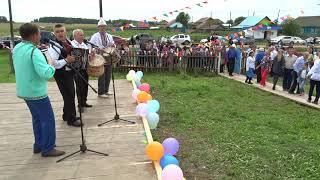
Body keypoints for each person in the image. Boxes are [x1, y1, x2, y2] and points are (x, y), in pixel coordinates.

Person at [13, 23, 65, 157]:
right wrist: (51, 65)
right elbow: (46, 74)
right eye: (39, 33)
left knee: (37, 118)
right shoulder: (34, 51)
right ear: (34, 35)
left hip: (24, 90)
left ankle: (39, 145)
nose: (40, 36)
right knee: (47, 119)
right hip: (36, 92)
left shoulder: (18, 47)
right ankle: (48, 148)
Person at [48, 24, 82, 127]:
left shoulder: (67, 42)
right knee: (69, 96)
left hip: (69, 72)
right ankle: (71, 119)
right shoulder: (53, 46)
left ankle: (66, 115)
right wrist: (66, 60)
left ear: (65, 32)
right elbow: (54, 64)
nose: (60, 33)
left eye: (62, 31)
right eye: (57, 32)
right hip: (61, 74)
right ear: (54, 33)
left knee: (68, 95)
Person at [90, 18, 115, 98]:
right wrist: (96, 50)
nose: (102, 28)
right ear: (98, 27)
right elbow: (90, 46)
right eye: (101, 26)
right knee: (102, 74)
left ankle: (106, 90)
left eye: (104, 26)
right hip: (99, 58)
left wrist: (113, 46)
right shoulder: (95, 36)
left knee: (108, 74)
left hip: (108, 57)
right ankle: (101, 92)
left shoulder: (109, 36)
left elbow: (112, 44)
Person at [71, 29, 93, 113]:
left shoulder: (85, 45)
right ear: (75, 36)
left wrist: (90, 55)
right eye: (80, 35)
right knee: (79, 87)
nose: (82, 36)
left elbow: (87, 56)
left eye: (82, 35)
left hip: (85, 68)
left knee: (85, 85)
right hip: (76, 69)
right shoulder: (72, 44)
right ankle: (80, 104)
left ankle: (84, 102)